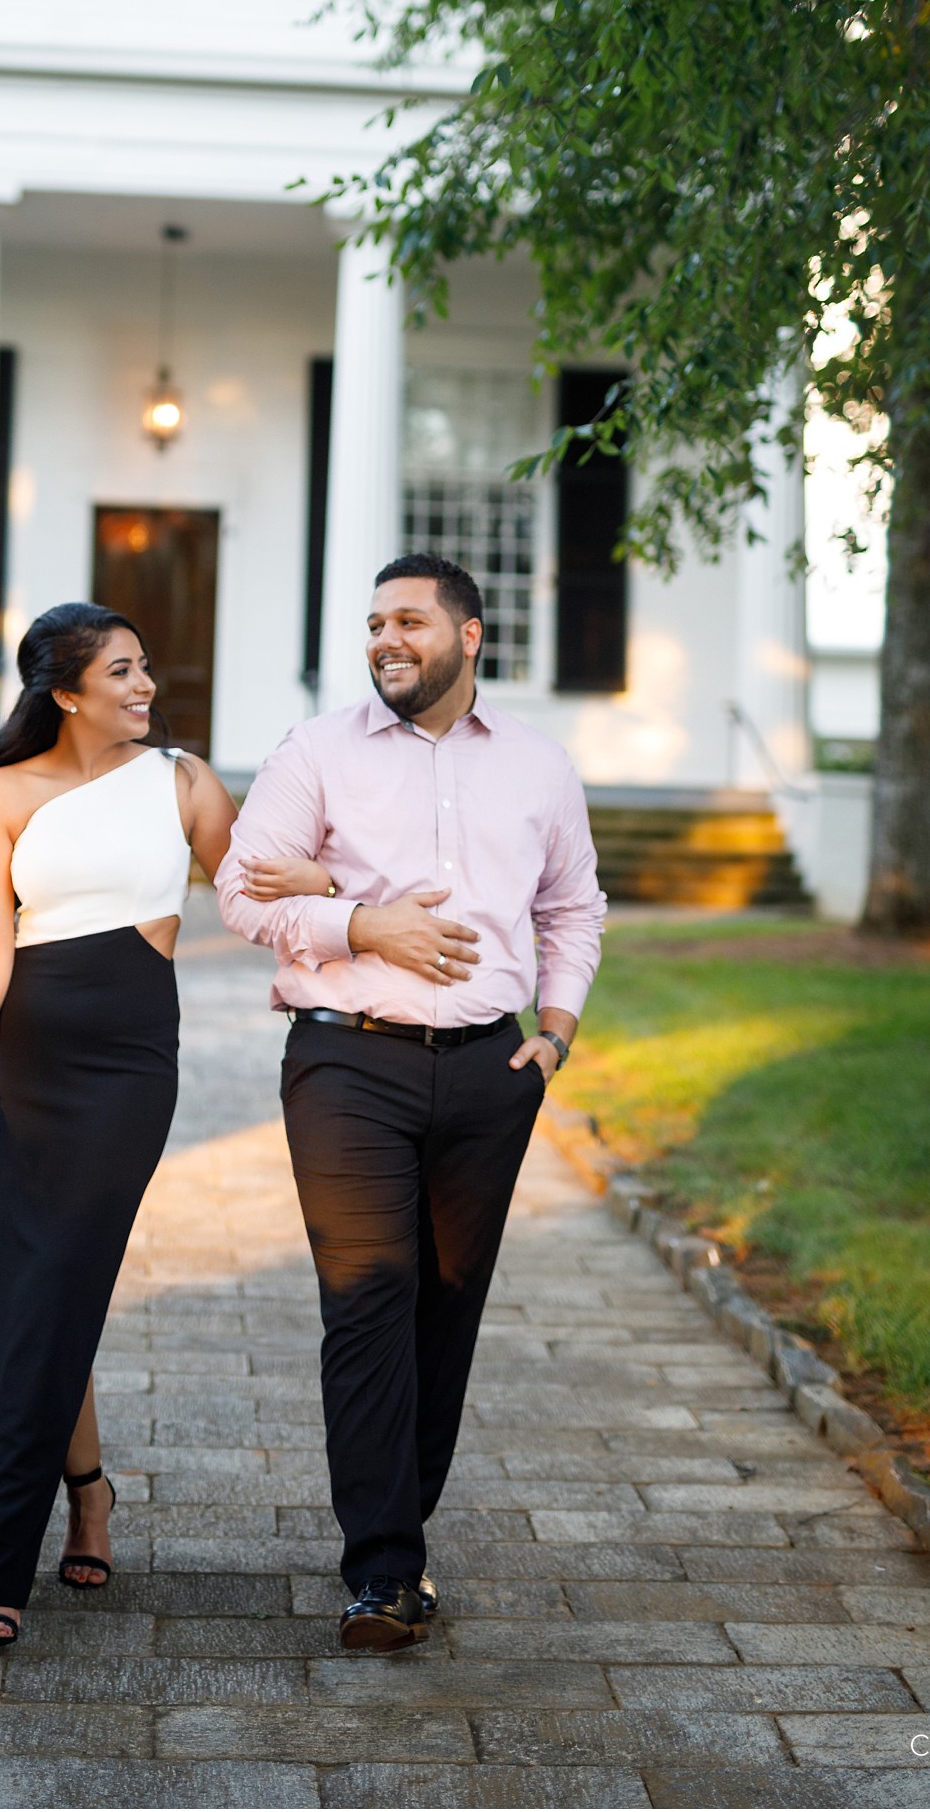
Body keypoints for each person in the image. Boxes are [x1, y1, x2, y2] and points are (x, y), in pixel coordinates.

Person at [217, 553, 606, 1651]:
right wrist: (361, 924)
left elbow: (574, 905)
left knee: (446, 1306)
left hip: (491, 1070)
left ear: (468, 636)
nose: (386, 639)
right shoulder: (318, 751)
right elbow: (243, 886)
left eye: (409, 622)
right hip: (347, 1062)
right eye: (374, 623)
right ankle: (382, 1570)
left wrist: (557, 1029)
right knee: (369, 1301)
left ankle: (401, 1525)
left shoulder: (538, 766)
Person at [0, 600, 242, 1650]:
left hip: (126, 1069)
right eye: (120, 672)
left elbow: (252, 895)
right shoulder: (2, 795)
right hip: (23, 1066)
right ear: (66, 693)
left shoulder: (184, 782)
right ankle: (78, 1503)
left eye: (145, 667)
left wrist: (344, 902)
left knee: (59, 1279)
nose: (144, 685)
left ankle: (0, 1563)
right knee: (28, 1296)